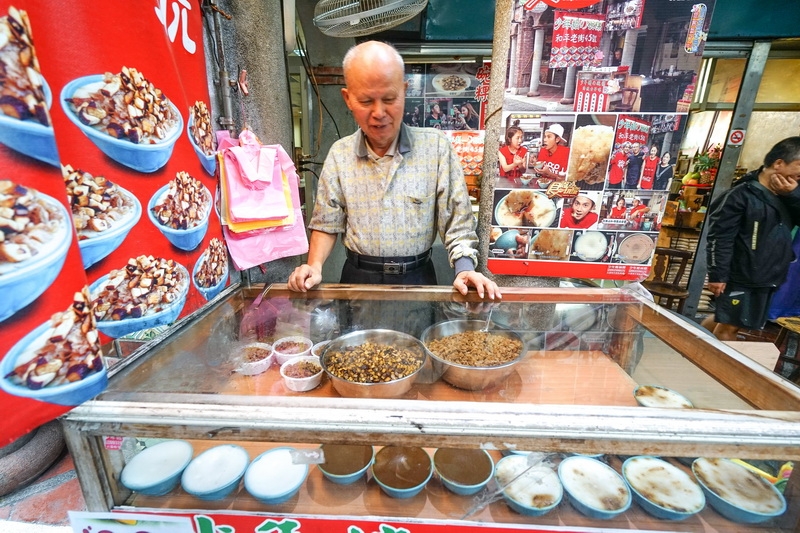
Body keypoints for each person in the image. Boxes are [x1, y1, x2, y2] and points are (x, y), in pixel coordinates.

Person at [288, 41, 500, 300]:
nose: (379, 113)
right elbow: (326, 222)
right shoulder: (340, 154)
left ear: (404, 91)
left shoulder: (435, 147)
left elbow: (457, 221)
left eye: (389, 99)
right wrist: (314, 265)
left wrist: (465, 269)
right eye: (366, 101)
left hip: (418, 279)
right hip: (357, 281)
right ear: (348, 99)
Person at [700, 137, 800, 341]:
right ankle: (719, 371)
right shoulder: (740, 195)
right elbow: (720, 237)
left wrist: (793, 196)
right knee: (730, 328)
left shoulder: (787, 194)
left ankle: (690, 347)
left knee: (727, 319)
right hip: (742, 274)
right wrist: (718, 274)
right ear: (779, 163)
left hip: (766, 275)